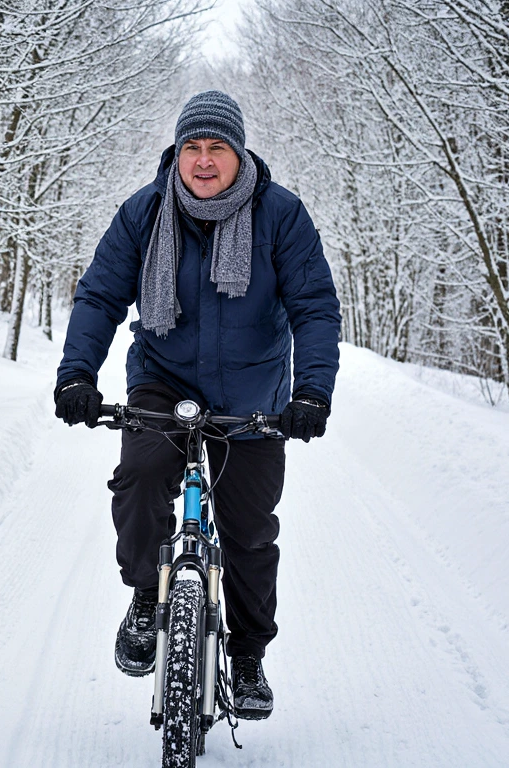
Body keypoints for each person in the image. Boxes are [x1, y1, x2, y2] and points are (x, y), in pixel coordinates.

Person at [53, 91, 341, 721]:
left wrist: (311, 392)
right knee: (140, 476)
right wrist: (77, 373)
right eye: (192, 148)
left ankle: (246, 658)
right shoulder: (144, 213)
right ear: (176, 153)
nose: (203, 161)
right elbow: (100, 295)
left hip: (254, 396)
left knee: (248, 531)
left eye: (216, 148)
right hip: (164, 381)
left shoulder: (281, 216)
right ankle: (145, 597)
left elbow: (314, 306)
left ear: (238, 153)